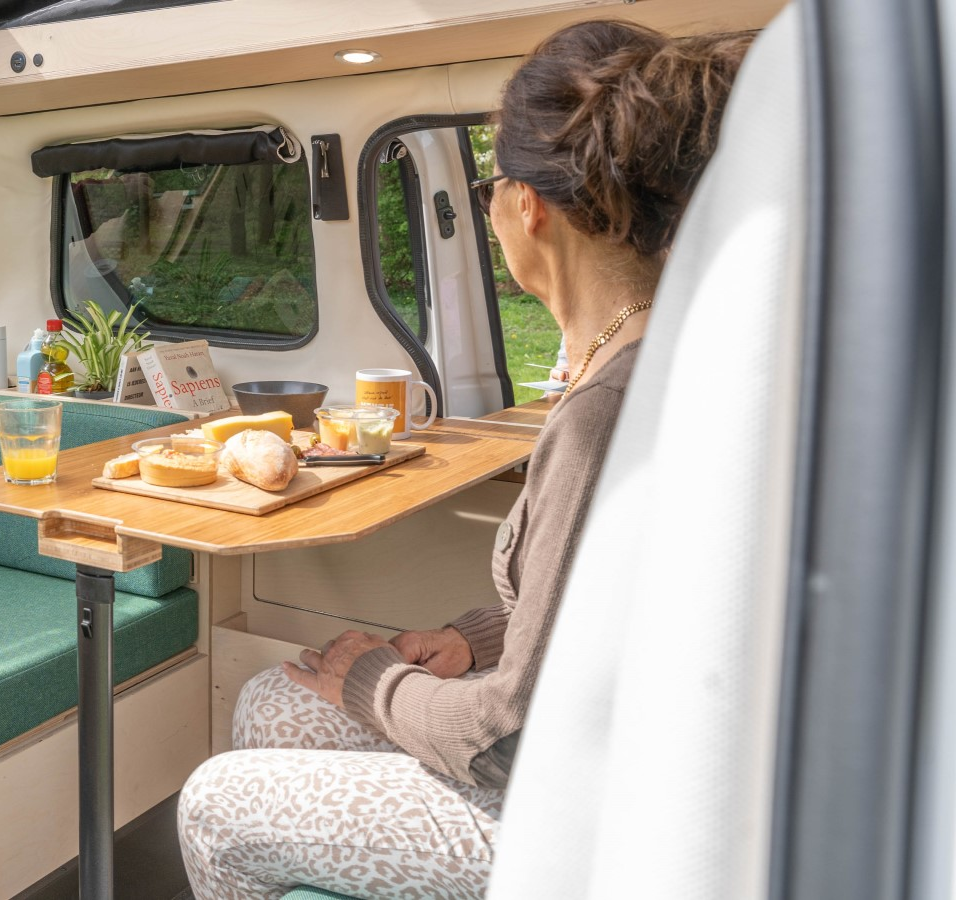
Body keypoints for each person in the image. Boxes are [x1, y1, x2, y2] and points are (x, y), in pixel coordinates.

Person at [178, 20, 752, 900]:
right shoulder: (649, 355)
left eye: (488, 183)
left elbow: (510, 740)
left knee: (214, 803)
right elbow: (605, 615)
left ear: (527, 206)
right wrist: (466, 640)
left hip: (590, 814)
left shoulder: (607, 411)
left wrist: (376, 681)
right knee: (272, 700)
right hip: (605, 746)